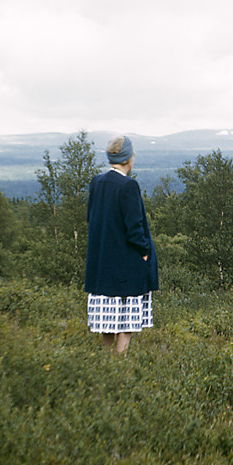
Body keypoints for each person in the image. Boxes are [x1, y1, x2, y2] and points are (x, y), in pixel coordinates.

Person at [84, 135, 159, 355]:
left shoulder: (97, 182)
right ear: (128, 158)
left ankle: (108, 363)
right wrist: (144, 252)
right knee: (127, 321)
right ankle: (119, 363)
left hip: (102, 263)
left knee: (106, 319)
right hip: (126, 264)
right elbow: (134, 227)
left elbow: (91, 218)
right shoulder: (128, 185)